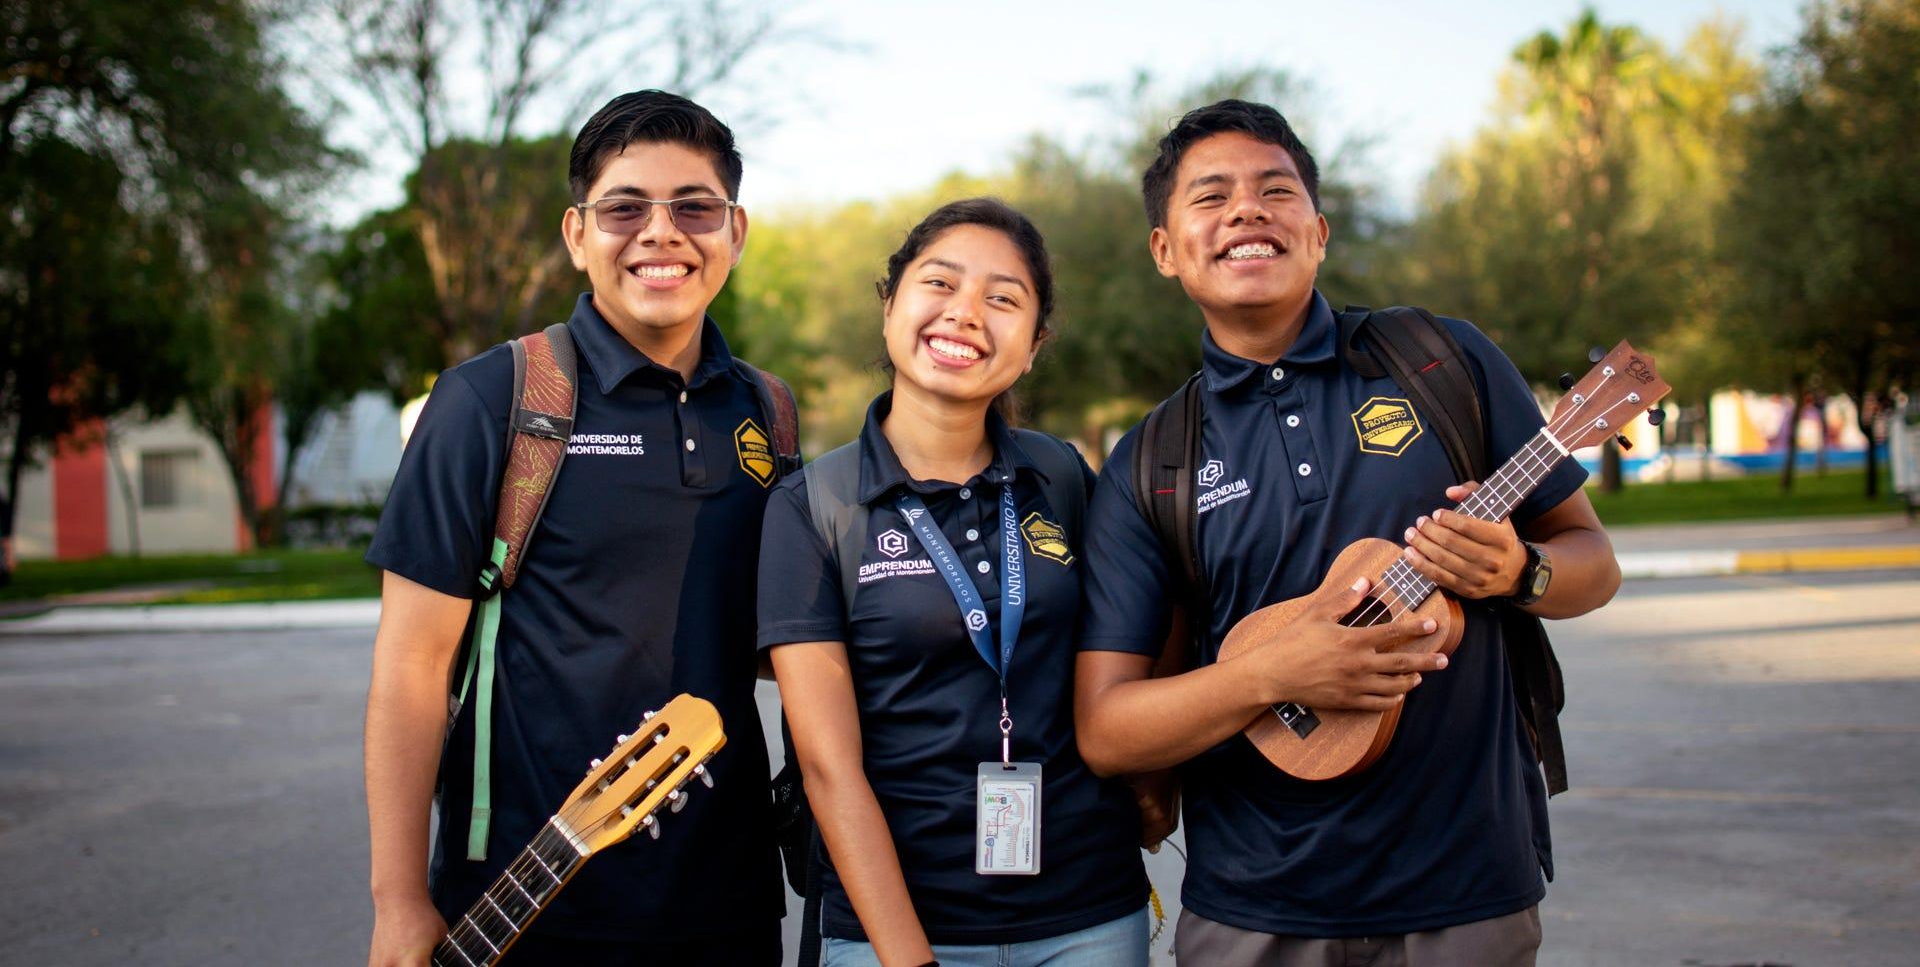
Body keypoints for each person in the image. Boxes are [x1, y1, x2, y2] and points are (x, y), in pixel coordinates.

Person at [1074, 100, 1621, 966]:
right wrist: (1273, 672)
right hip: (1254, 910)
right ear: (1166, 251)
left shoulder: (1443, 362)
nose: (1247, 210)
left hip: (1470, 889)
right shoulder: (1154, 461)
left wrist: (1521, 572)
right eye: (1210, 197)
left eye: (1276, 190)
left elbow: (1590, 560)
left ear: (1319, 233)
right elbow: (1109, 729)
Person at [363, 90, 786, 965]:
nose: (661, 232)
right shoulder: (490, 401)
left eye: (694, 208)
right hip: (528, 903)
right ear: (576, 234)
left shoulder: (767, 413)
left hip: (728, 906)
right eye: (625, 207)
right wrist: (399, 899)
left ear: (735, 232)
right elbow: (411, 668)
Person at [759, 199, 1152, 967]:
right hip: (891, 929)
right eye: (940, 283)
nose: (966, 314)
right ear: (889, 305)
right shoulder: (814, 506)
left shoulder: (1063, 476)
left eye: (1003, 299)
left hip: (1088, 916)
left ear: (1034, 345)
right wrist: (910, 960)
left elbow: (1135, 638)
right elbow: (827, 768)